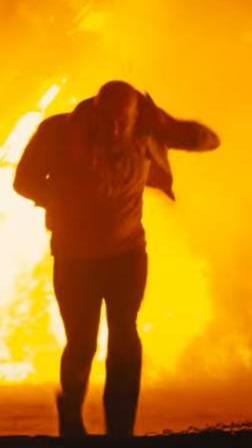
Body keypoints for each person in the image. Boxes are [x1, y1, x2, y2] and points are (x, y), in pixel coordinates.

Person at [14, 80, 220, 437]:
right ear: (94, 110)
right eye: (106, 118)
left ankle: (121, 430)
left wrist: (167, 124)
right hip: (74, 256)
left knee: (125, 335)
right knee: (81, 341)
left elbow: (208, 140)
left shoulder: (146, 133)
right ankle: (71, 412)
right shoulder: (59, 132)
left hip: (126, 254)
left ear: (135, 117)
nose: (113, 128)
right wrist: (61, 201)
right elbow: (23, 180)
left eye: (121, 120)